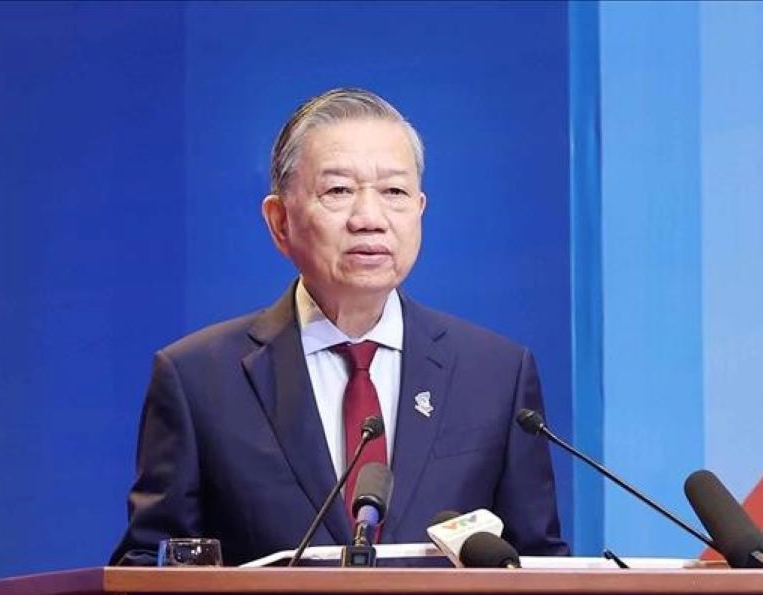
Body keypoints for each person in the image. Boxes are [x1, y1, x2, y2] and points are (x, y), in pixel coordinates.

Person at [110, 87, 568, 566]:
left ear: (420, 210)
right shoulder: (199, 380)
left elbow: (539, 566)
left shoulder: (496, 376)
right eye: (338, 191)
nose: (369, 219)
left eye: (394, 192)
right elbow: (148, 569)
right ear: (280, 222)